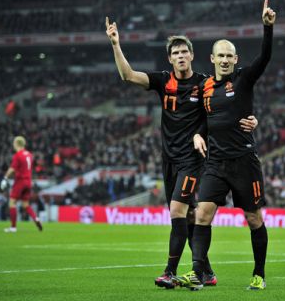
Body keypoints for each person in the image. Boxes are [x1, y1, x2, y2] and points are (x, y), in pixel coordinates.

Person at [105, 18, 259, 289]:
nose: (180, 56)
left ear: (192, 55)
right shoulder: (163, 82)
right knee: (186, 217)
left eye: (184, 51)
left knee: (177, 211)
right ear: (170, 58)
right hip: (169, 159)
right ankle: (207, 271)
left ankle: (170, 271)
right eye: (175, 53)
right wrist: (116, 44)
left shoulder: (205, 84)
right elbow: (128, 75)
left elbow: (230, 105)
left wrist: (251, 119)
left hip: (194, 159)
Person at [175, 0, 276, 291]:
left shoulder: (243, 80)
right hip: (215, 163)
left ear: (234, 59)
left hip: (244, 162)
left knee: (254, 218)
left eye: (229, 56)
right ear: (212, 58)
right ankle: (197, 272)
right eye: (220, 55)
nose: (224, 60)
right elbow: (202, 120)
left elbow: (264, 59)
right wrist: (197, 133)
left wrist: (267, 28)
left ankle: (259, 274)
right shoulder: (205, 87)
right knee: (202, 213)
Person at [0, 136, 42, 233]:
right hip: (28, 181)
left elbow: (12, 168)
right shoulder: (29, 154)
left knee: (12, 202)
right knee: (25, 204)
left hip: (20, 181)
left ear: (16, 144)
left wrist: (5, 178)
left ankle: (13, 227)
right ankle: (36, 218)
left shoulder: (18, 155)